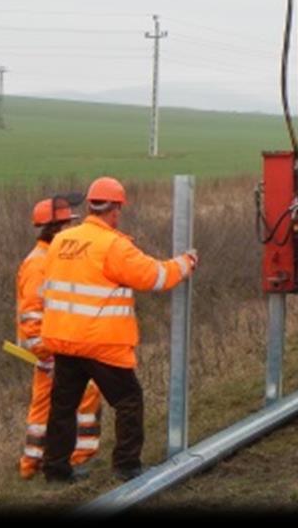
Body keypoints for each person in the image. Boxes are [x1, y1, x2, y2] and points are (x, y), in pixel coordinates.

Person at [40, 176, 199, 483]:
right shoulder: (113, 245)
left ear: (89, 206)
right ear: (115, 209)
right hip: (101, 343)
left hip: (63, 339)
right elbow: (155, 277)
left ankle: (55, 470)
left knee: (63, 407)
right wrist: (186, 262)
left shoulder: (61, 241)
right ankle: (127, 466)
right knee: (128, 401)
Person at [16, 193, 103, 480]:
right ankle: (79, 456)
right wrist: (44, 351)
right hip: (47, 348)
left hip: (52, 346)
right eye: (67, 224)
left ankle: (32, 464)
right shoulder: (38, 264)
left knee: (46, 403)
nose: (72, 229)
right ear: (55, 228)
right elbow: (31, 316)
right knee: (82, 395)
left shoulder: (51, 257)